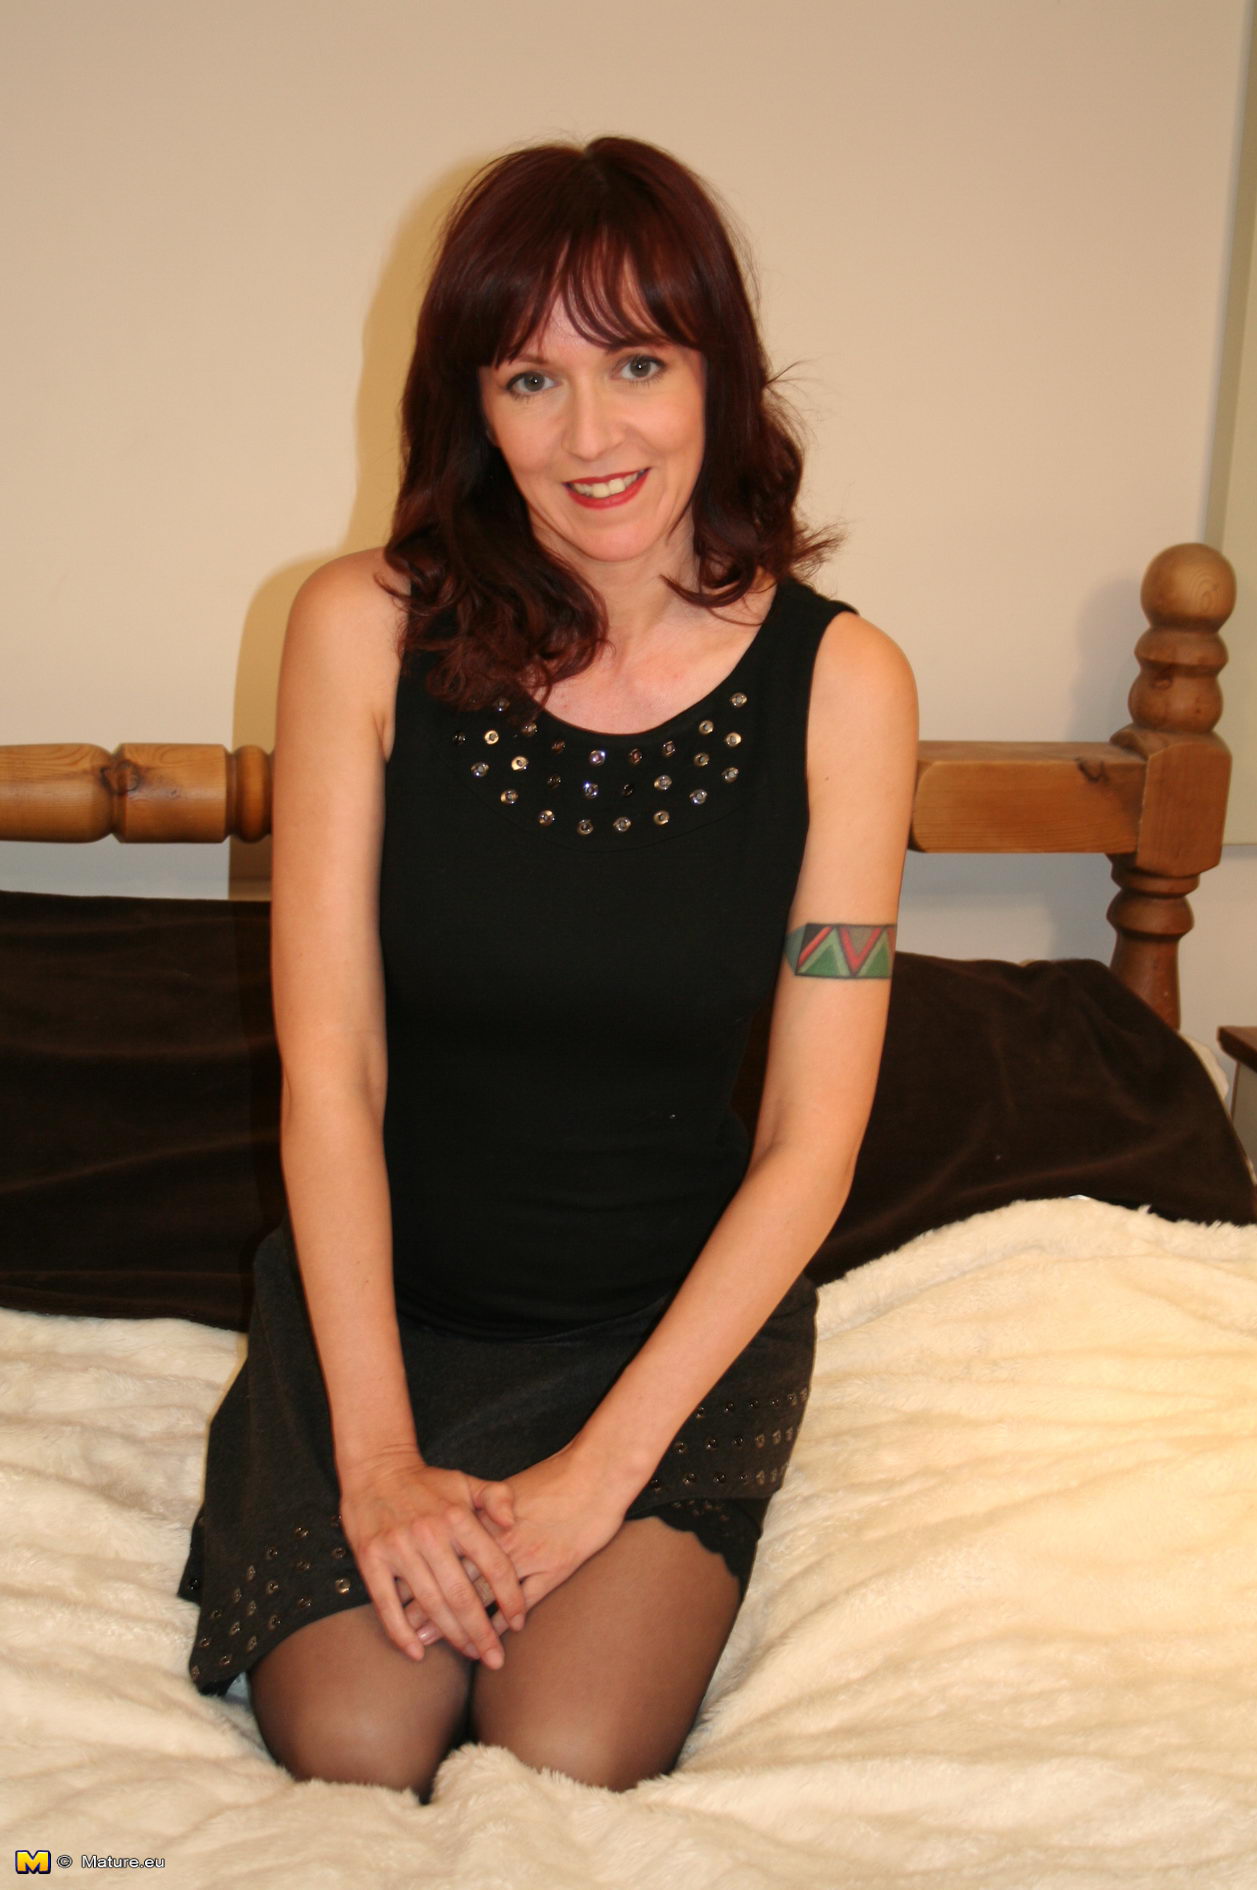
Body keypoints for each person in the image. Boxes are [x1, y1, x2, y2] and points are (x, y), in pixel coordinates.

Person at [176, 134, 917, 1799]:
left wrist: (599, 1475)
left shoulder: (845, 688)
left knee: (564, 1743)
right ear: (472, 405)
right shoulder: (357, 630)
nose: (592, 437)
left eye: (638, 364)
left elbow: (812, 1139)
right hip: (392, 1315)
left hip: (665, 1334)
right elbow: (334, 1071)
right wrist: (376, 1456)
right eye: (531, 378)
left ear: (718, 371)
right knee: (356, 1736)